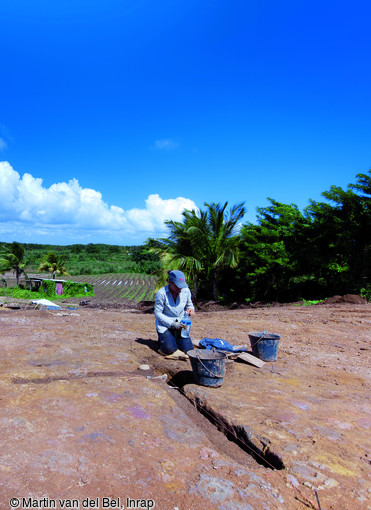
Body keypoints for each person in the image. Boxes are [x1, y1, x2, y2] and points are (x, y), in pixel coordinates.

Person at [154, 270, 195, 357]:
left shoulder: (186, 291)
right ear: (170, 282)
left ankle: (173, 338)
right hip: (165, 325)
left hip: (181, 325)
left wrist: (191, 309)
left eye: (181, 286)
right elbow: (157, 313)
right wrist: (172, 324)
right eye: (177, 286)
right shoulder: (161, 293)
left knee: (189, 350)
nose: (179, 288)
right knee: (170, 349)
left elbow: (189, 304)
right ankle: (164, 340)